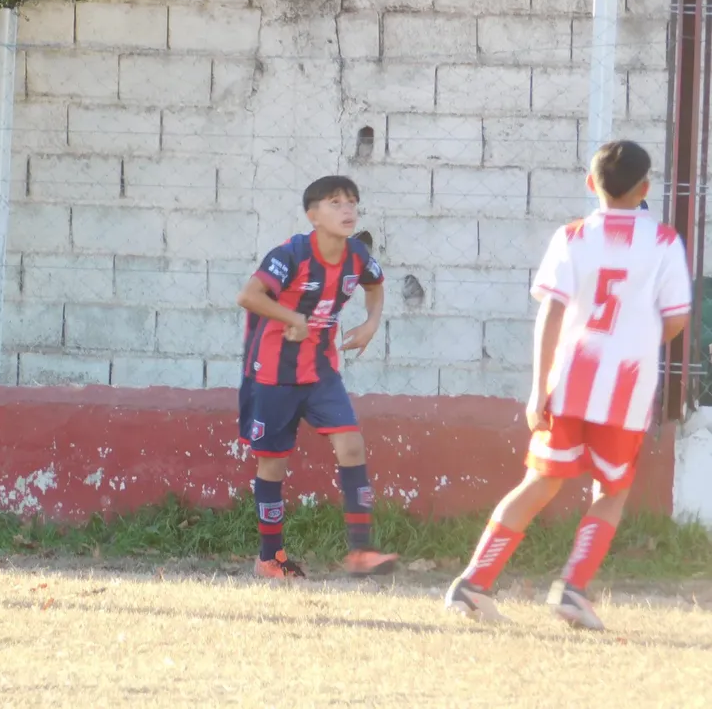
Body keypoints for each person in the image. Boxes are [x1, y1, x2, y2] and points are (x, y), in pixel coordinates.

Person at [444, 140, 692, 630]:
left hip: (570, 382)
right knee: (613, 487)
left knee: (541, 480)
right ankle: (573, 588)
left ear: (589, 183)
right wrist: (637, 339)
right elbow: (678, 318)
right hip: (626, 387)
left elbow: (552, 310)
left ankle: (472, 583)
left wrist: (539, 388)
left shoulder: (572, 236)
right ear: (646, 187)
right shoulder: (664, 241)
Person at [235, 175, 399, 579]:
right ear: (313, 215)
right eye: (335, 202)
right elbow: (248, 296)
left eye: (351, 202)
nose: (347, 210)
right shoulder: (290, 254)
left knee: (352, 445)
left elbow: (376, 285)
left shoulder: (357, 256)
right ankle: (270, 557)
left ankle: (361, 552)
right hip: (274, 372)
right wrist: (292, 317)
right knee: (272, 465)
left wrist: (370, 323)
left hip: (322, 371)